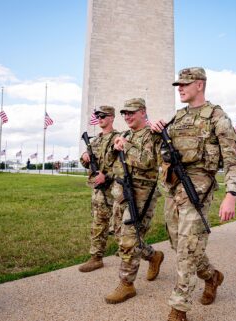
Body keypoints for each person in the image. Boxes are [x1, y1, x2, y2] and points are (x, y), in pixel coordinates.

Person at [151, 67, 236, 321]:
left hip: (199, 186)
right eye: (178, 84)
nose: (180, 88)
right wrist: (158, 133)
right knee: (178, 243)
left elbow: (232, 161)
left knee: (188, 248)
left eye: (185, 84)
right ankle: (212, 276)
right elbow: (163, 153)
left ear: (199, 85)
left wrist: (231, 194)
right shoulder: (177, 118)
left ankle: (179, 308)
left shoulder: (217, 118)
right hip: (173, 186)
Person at [104, 98, 164, 304]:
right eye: (124, 113)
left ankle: (127, 284)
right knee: (122, 237)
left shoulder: (152, 134)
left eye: (131, 112)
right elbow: (112, 163)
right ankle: (153, 256)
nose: (127, 117)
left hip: (141, 194)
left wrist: (126, 146)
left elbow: (148, 162)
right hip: (121, 193)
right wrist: (116, 147)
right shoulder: (126, 135)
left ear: (143, 112)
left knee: (130, 240)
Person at [78, 105, 119, 272]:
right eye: (98, 116)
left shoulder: (119, 139)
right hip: (98, 191)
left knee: (120, 225)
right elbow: (85, 162)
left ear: (111, 117)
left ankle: (132, 253)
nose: (100, 119)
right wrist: (84, 157)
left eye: (103, 116)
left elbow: (123, 165)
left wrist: (107, 176)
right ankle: (96, 257)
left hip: (115, 190)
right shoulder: (94, 141)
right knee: (98, 223)